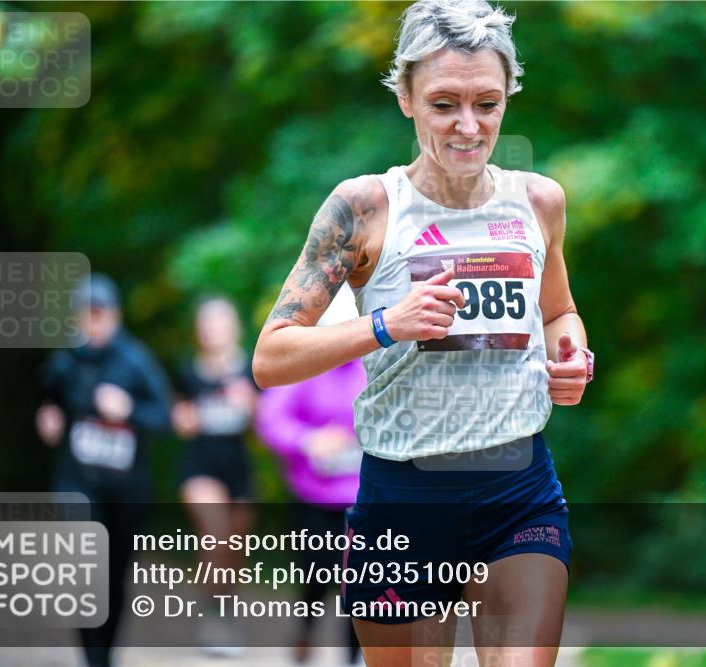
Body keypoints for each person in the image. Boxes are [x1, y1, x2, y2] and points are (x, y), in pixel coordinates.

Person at [252, 1, 593, 664]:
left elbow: (560, 311)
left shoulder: (539, 202)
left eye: (487, 103)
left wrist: (569, 351)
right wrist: (385, 324)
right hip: (404, 496)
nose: (469, 126)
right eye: (444, 104)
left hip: (518, 488)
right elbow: (270, 358)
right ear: (405, 97)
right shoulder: (364, 209)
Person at [35, 273, 172, 667]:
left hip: (127, 490)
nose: (93, 324)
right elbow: (50, 403)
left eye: (101, 315)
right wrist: (49, 420)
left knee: (112, 579)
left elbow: (165, 417)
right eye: (86, 316)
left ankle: (103, 657)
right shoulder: (64, 361)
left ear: (116, 317)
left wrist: (128, 409)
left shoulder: (136, 360)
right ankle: (91, 659)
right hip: (78, 484)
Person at [255, 283, 365, 665]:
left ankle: (354, 657)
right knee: (315, 583)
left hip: (363, 501)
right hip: (313, 499)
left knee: (361, 586)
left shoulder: (378, 364)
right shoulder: (306, 365)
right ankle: (304, 632)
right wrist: (309, 440)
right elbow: (270, 419)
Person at [170, 295, 257, 656]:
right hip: (200, 466)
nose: (213, 330)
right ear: (198, 331)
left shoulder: (251, 368)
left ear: (234, 327)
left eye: (220, 322)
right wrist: (183, 418)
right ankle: (212, 617)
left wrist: (250, 405)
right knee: (215, 532)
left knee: (233, 548)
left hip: (238, 468)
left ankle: (222, 612)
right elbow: (178, 420)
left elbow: (268, 424)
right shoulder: (187, 371)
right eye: (206, 323)